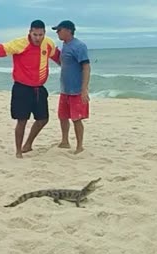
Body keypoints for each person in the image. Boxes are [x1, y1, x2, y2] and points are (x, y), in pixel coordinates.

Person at [0, 20, 60, 158]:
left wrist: (75, 68)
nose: (38, 38)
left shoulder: (48, 43)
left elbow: (58, 57)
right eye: (35, 34)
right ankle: (19, 151)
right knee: (22, 120)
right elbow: (0, 49)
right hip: (22, 88)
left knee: (43, 119)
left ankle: (28, 144)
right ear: (30, 33)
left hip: (39, 88)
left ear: (45, 33)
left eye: (41, 34)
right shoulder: (20, 43)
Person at [52, 20, 91, 154]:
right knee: (62, 116)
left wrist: (84, 89)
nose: (57, 32)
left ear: (68, 30)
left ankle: (80, 146)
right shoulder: (65, 45)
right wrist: (53, 55)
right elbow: (64, 64)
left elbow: (86, 67)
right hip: (65, 89)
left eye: (59, 30)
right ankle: (65, 141)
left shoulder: (79, 46)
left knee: (76, 119)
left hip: (76, 90)